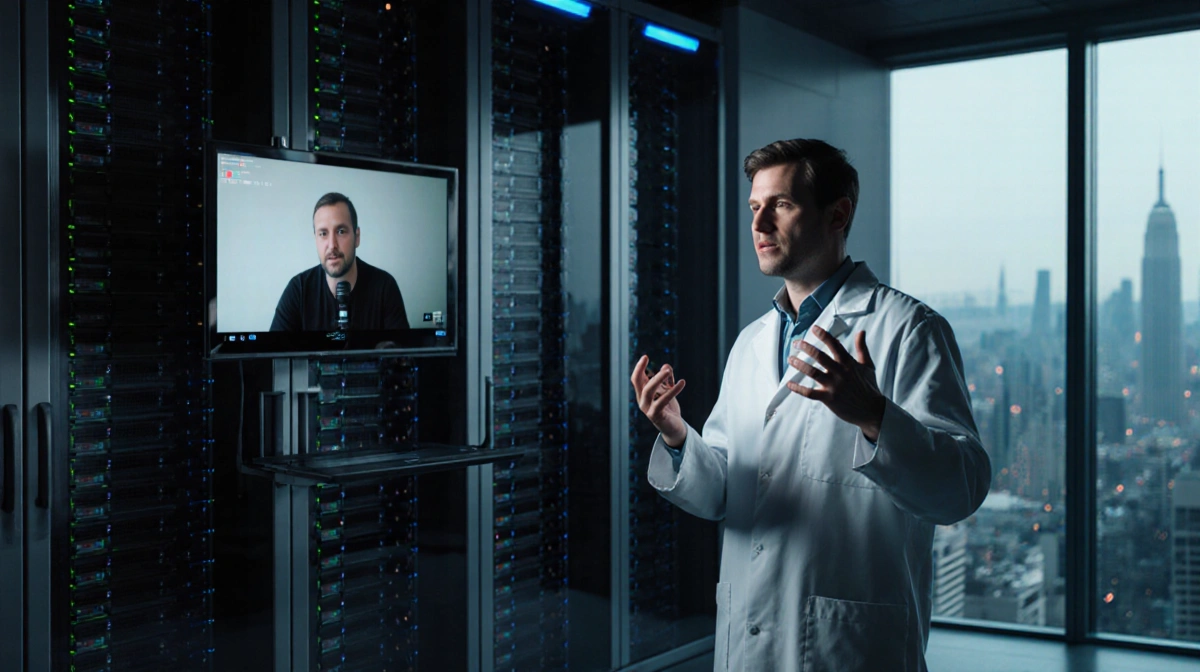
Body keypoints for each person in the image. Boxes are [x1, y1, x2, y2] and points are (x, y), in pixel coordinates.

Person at [631, 139, 991, 672]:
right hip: (748, 642)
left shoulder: (908, 330)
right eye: (755, 207)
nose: (759, 224)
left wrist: (874, 416)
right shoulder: (751, 343)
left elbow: (960, 489)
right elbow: (725, 492)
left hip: (850, 646)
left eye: (781, 204)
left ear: (838, 212)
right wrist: (680, 438)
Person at [270, 192, 409, 331]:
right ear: (315, 240)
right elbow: (274, 350)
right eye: (323, 234)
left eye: (341, 231)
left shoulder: (385, 287)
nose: (332, 245)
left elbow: (400, 349)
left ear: (357, 237)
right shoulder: (298, 290)